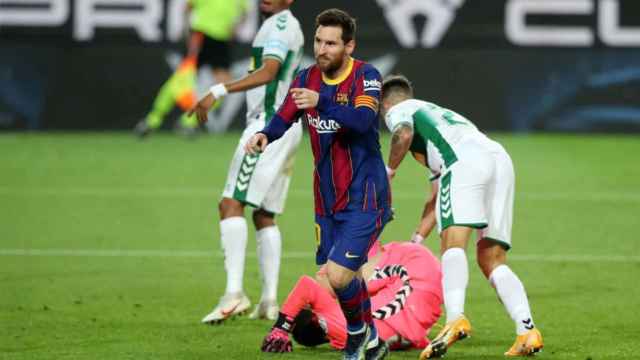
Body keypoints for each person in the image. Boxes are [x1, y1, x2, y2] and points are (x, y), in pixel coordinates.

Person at [245, 8, 393, 360]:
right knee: (342, 275)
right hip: (327, 200)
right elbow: (284, 116)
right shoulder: (305, 78)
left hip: (366, 195)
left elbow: (361, 119)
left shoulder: (366, 75)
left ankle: (358, 336)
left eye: (331, 43)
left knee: (340, 277)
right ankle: (373, 342)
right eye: (318, 41)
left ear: (349, 46)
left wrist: (322, 101)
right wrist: (267, 134)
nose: (322, 49)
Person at [380, 75, 544, 358]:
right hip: (498, 159)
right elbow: (437, 197)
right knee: (491, 259)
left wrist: (388, 174)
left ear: (384, 103)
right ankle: (527, 330)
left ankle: (455, 317)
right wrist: (417, 239)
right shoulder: (439, 116)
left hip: (463, 162)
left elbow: (402, 136)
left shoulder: (399, 110)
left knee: (453, 245)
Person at [189, 0, 304, 323]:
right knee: (264, 214)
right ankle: (269, 300)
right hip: (286, 126)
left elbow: (269, 72)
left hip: (267, 127)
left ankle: (234, 294)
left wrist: (219, 89)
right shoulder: (276, 24)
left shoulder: (281, 25)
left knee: (230, 204)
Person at [260, 240, 442, 355]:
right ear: (316, 317)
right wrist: (280, 329)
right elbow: (306, 285)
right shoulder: (330, 311)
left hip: (420, 318)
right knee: (330, 277)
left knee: (347, 281)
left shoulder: (342, 341)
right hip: (417, 265)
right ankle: (371, 215)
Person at [134, 0, 249, 137]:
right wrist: (186, 31)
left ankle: (188, 122)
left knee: (225, 85)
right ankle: (152, 120)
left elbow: (244, 12)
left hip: (221, 40)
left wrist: (236, 27)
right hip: (201, 34)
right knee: (181, 78)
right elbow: (188, 7)